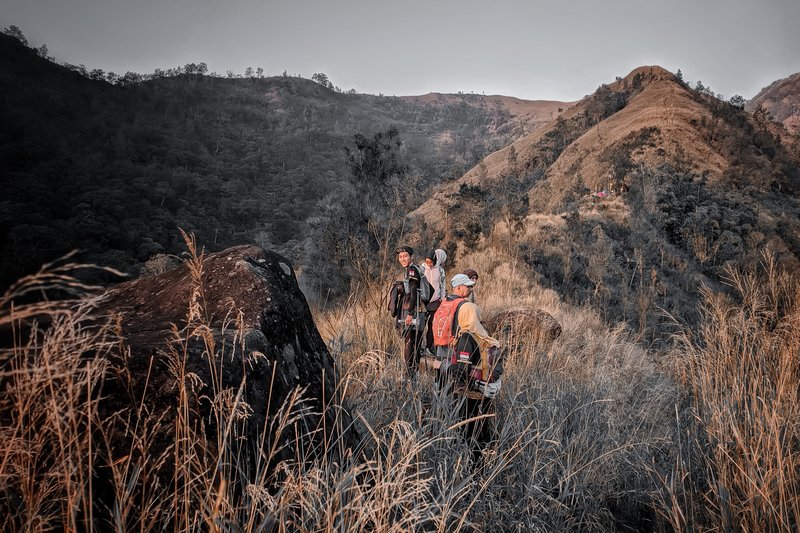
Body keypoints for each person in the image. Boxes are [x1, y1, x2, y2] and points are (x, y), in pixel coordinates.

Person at [434, 273, 502, 461]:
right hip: (479, 392)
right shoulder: (477, 337)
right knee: (477, 427)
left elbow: (460, 370)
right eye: (476, 316)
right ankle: (478, 459)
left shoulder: (464, 336)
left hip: (467, 391)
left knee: (468, 426)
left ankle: (473, 458)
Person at [393, 245, 426, 379]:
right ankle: (414, 374)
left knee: (409, 343)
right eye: (400, 257)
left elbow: (413, 293)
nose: (403, 259)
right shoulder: (415, 268)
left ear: (410, 256)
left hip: (413, 311)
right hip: (419, 310)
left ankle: (409, 375)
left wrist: (410, 313)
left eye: (405, 256)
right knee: (415, 343)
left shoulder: (412, 270)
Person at [423, 248, 447, 357]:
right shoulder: (422, 268)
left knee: (432, 326)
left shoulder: (440, 270)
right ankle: (420, 347)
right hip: (424, 302)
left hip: (435, 302)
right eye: (427, 261)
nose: (429, 264)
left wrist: (442, 299)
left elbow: (442, 286)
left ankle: (429, 347)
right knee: (421, 326)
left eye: (431, 262)